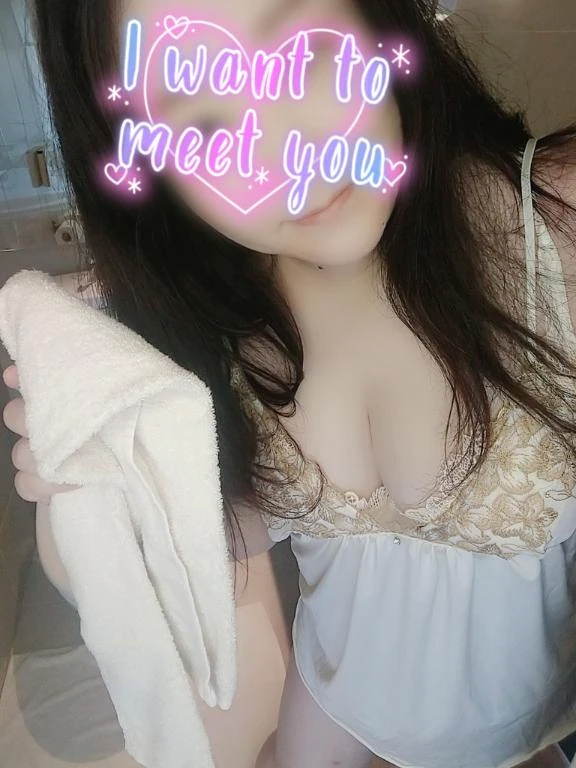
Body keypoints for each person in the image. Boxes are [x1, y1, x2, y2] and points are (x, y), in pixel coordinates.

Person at [3, 0, 576, 766]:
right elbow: (201, 558)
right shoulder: (218, 329)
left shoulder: (558, 221)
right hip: (328, 712)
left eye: (306, 56)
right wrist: (86, 493)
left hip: (531, 731)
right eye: (205, 125)